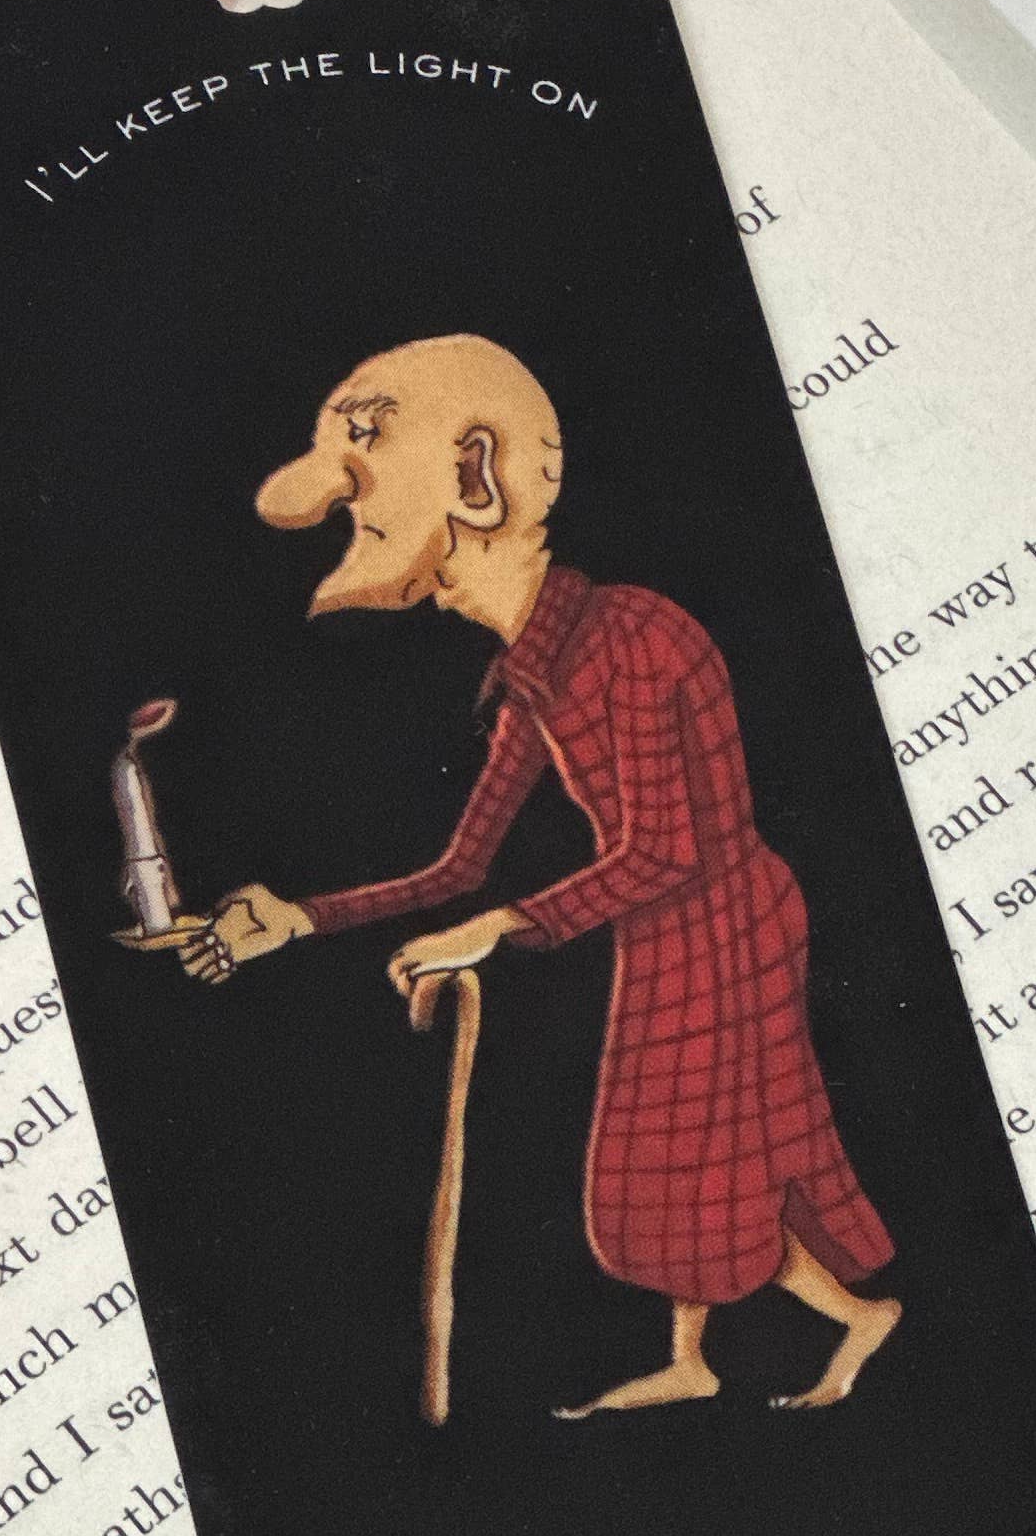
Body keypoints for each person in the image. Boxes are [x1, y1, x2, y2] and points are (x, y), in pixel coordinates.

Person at [183, 334, 900, 1412]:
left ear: (476, 478)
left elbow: (665, 846)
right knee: (673, 1165)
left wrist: (500, 927)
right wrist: (300, 917)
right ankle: (699, 1357)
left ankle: (856, 1317)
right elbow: (460, 863)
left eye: (366, 507)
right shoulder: (536, 673)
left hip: (726, 918)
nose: (359, 537)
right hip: (661, 921)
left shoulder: (632, 639)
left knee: (705, 1162)